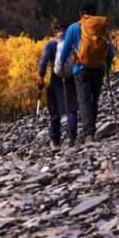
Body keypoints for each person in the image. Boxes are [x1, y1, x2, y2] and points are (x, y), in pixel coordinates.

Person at [58, 2, 116, 144]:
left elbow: (65, 49)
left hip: (81, 69)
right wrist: (106, 67)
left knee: (84, 102)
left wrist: (62, 65)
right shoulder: (100, 28)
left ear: (81, 13)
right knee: (93, 102)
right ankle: (92, 132)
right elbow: (111, 51)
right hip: (99, 69)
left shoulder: (74, 27)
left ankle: (89, 135)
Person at [37, 21, 77, 149]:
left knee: (55, 110)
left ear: (55, 32)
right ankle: (72, 139)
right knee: (72, 109)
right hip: (71, 77)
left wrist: (40, 77)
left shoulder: (51, 44)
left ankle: (55, 141)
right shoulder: (73, 43)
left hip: (56, 79)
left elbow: (43, 63)